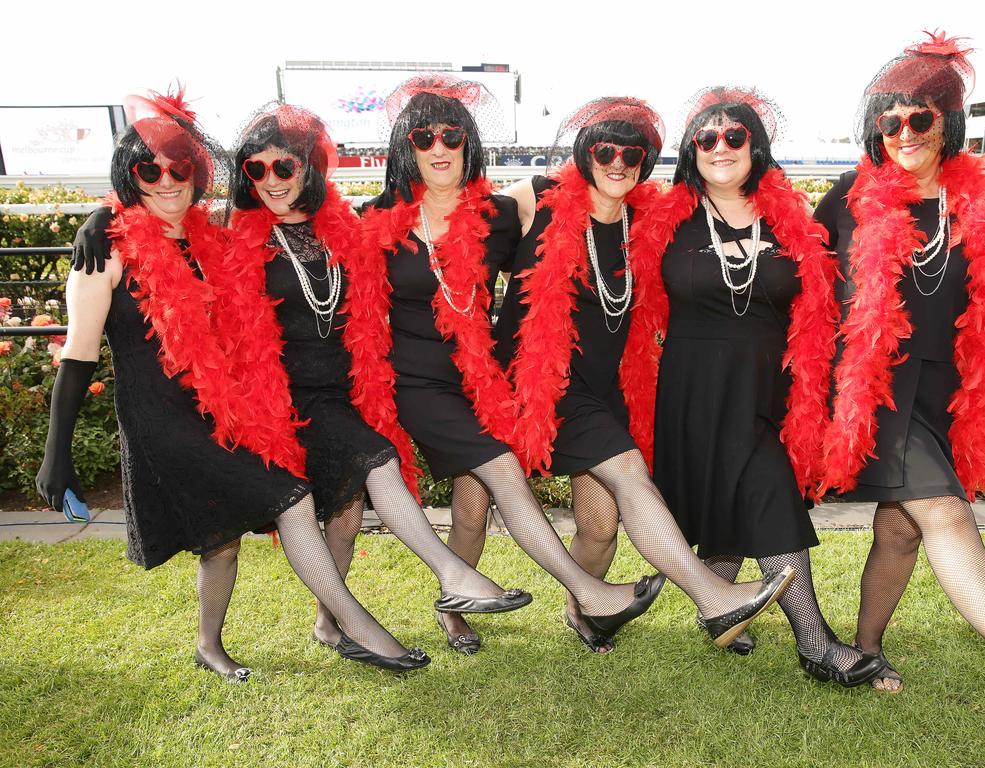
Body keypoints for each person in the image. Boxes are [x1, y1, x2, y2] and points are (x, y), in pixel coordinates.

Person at [41, 88, 430, 676]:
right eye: (151, 170)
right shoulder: (108, 254)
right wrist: (56, 456)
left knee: (221, 539)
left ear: (198, 175)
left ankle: (208, 645)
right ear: (130, 177)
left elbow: (279, 239)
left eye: (182, 169)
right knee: (291, 500)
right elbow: (77, 357)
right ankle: (356, 627)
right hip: (160, 421)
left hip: (221, 411)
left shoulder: (210, 239)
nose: (168, 181)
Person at [343, 75, 666, 654]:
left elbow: (570, 207)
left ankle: (466, 609)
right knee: (498, 472)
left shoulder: (496, 213)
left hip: (481, 378)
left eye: (450, 135)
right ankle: (588, 592)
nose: (438, 148)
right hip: (416, 383)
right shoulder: (374, 218)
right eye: (423, 137)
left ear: (467, 143)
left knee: (473, 507)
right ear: (406, 148)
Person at [226, 104, 531, 653]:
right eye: (257, 170)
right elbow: (171, 231)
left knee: (347, 513)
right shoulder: (237, 234)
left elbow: (537, 207)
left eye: (285, 168)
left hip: (348, 388)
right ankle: (453, 579)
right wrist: (103, 220)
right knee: (376, 468)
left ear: (310, 170)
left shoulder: (345, 226)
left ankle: (330, 622)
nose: (272, 181)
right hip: (288, 398)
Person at [498, 96, 795, 653]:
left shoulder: (648, 222)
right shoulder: (536, 199)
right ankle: (715, 599)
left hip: (606, 389)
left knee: (600, 523)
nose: (618, 162)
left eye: (632, 153)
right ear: (585, 153)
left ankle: (585, 610)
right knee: (630, 472)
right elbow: (458, 223)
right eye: (604, 150)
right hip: (547, 387)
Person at [614, 87, 883, 686]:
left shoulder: (792, 222)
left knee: (762, 491)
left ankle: (788, 633)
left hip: (767, 388)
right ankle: (781, 630)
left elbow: (832, 278)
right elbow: (587, 202)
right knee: (726, 502)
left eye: (734, 136)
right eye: (706, 139)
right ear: (692, 151)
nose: (720, 147)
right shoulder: (664, 219)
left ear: (754, 147)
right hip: (695, 388)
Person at [815, 32, 985, 707]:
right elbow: (800, 282)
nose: (903, 132)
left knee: (901, 525)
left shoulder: (979, 204)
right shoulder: (850, 195)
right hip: (873, 385)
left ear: (947, 124)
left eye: (920, 118)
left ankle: (865, 649)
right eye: (891, 120)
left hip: (940, 390)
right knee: (943, 511)